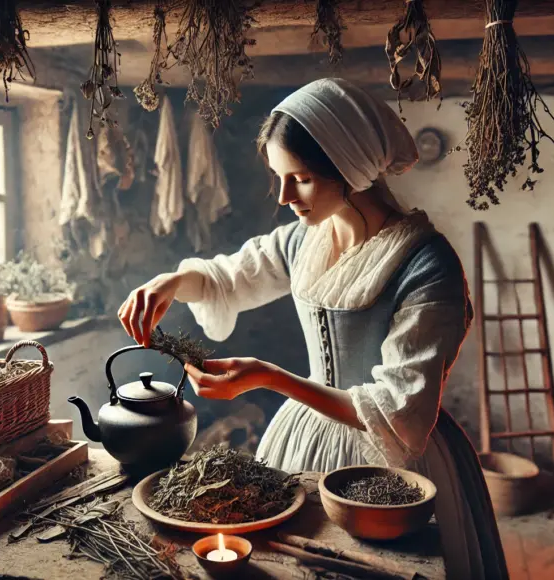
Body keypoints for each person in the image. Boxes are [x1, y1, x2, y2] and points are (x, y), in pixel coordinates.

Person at [118, 78, 507, 580]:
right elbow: (229, 275)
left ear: (350, 167)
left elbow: (395, 410)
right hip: (302, 435)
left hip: (391, 454)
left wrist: (269, 377)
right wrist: (171, 281)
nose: (283, 197)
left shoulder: (427, 265)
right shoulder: (305, 240)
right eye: (279, 177)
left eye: (299, 178)